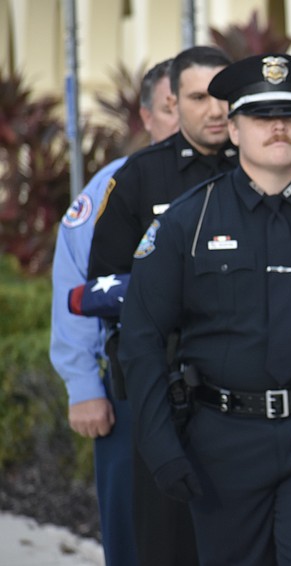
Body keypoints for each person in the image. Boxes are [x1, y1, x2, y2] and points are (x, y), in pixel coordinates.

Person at [117, 53, 291, 565]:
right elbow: (141, 338)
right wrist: (159, 445)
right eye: (262, 117)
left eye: (290, 115)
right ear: (235, 129)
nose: (278, 127)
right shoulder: (186, 223)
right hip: (222, 440)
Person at [87, 45, 237, 566]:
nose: (216, 110)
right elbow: (101, 286)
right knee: (165, 546)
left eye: (223, 96)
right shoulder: (138, 179)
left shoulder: (265, 172)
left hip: (246, 400)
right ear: (175, 101)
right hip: (164, 397)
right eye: (200, 97)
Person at [49, 58, 178, 566]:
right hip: (131, 392)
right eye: (173, 107)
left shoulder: (244, 180)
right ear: (147, 117)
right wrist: (83, 387)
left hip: (221, 400)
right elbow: (77, 287)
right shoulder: (112, 185)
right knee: (134, 541)